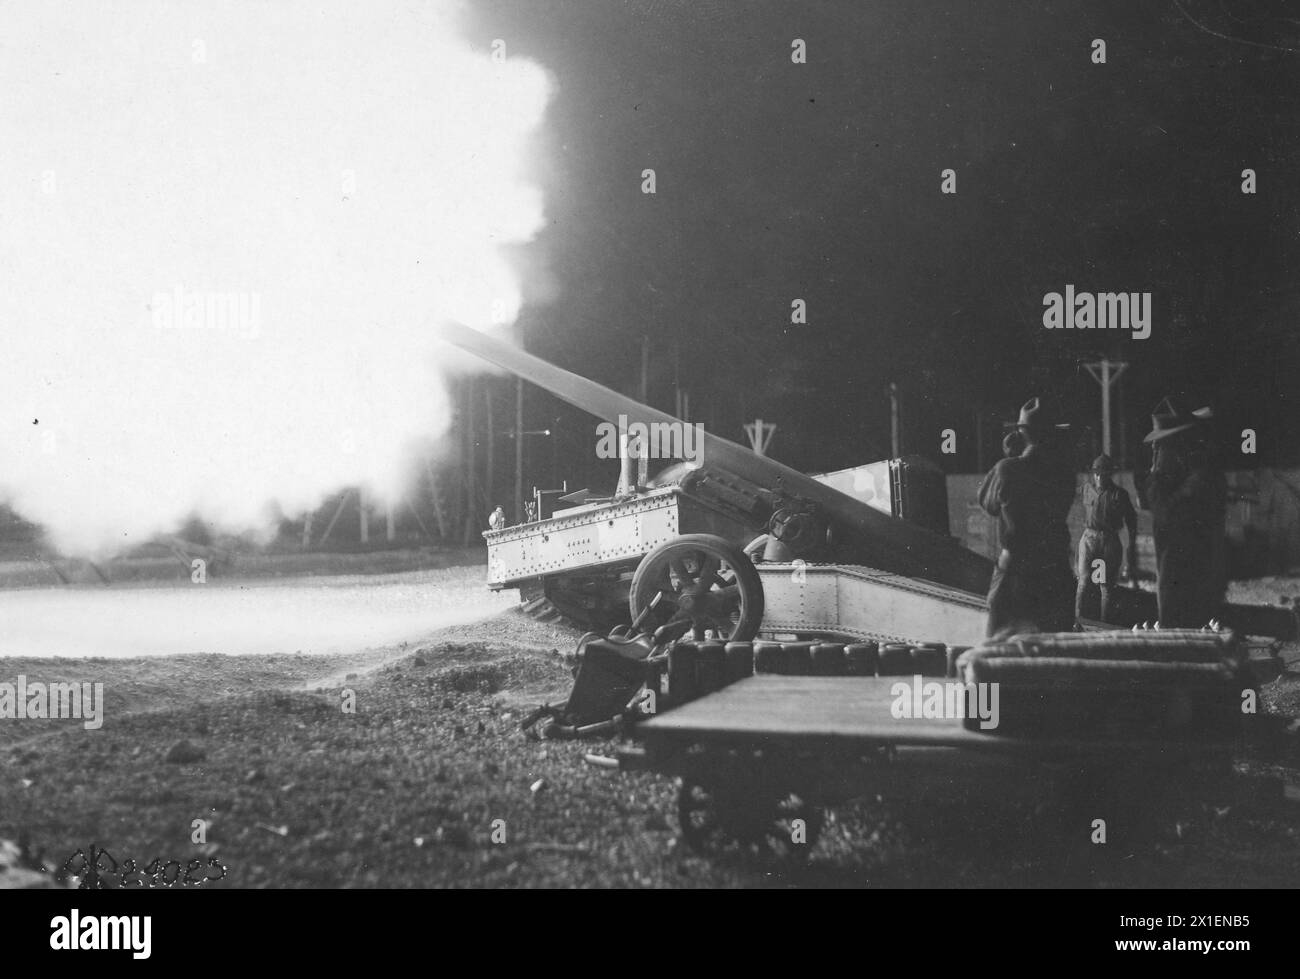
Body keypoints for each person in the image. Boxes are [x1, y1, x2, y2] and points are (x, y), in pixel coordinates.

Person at [978, 397, 1078, 636]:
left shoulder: (1007, 469)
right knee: (1054, 650)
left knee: (1000, 648)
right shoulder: (1066, 473)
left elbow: (988, 503)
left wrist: (1010, 457)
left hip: (1016, 573)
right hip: (1055, 570)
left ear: (1022, 433)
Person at [1143, 397, 1226, 628]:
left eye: (1161, 445)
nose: (1155, 450)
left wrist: (1155, 479)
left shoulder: (1197, 480)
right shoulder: (1186, 477)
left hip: (1189, 580)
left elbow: (1167, 513)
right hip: (1178, 578)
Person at [1074, 453, 1137, 625]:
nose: (1100, 476)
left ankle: (1103, 623)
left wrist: (1132, 544)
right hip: (1089, 538)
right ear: (1094, 474)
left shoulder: (1119, 494)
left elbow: (1132, 520)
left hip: (1107, 541)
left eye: (1104, 473)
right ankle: (1077, 620)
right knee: (1084, 582)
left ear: (1110, 474)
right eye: (1097, 472)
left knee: (1105, 585)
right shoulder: (1089, 490)